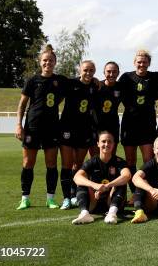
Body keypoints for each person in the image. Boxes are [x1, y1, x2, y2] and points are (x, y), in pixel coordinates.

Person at [15, 44, 70, 210]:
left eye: (51, 60)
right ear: (40, 62)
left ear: (55, 62)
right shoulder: (32, 81)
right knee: (28, 163)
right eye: (45, 60)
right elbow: (22, 105)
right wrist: (19, 125)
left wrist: (96, 80)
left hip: (52, 128)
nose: (48, 63)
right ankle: (25, 198)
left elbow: (80, 82)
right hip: (32, 127)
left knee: (51, 163)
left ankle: (50, 199)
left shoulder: (60, 81)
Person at [118, 50, 158, 198]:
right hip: (129, 124)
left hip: (147, 124)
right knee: (130, 161)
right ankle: (134, 193)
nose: (141, 64)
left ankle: (147, 191)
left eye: (144, 62)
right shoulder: (126, 77)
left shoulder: (155, 77)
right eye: (139, 62)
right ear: (134, 63)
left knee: (148, 160)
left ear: (149, 63)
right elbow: (111, 84)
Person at [58, 60, 99, 210]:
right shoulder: (70, 83)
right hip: (67, 129)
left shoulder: (95, 86)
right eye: (85, 70)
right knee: (67, 165)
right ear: (80, 70)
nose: (88, 73)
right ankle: (66, 198)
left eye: (91, 70)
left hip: (85, 130)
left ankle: (75, 194)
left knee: (78, 165)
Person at [71, 131, 131, 224]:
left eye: (109, 141)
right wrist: (94, 185)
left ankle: (112, 214)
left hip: (112, 201)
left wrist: (109, 185)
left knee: (121, 183)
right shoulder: (92, 161)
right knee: (81, 183)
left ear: (114, 144)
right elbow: (76, 177)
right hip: (94, 201)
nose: (106, 144)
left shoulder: (119, 161)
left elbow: (127, 176)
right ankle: (85, 214)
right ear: (98, 144)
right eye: (103, 141)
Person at [94, 61, 123, 155]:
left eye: (114, 72)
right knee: (95, 157)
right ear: (104, 72)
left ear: (118, 73)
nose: (111, 74)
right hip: (96, 125)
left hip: (113, 125)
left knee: (111, 156)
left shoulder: (121, 87)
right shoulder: (97, 86)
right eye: (108, 71)